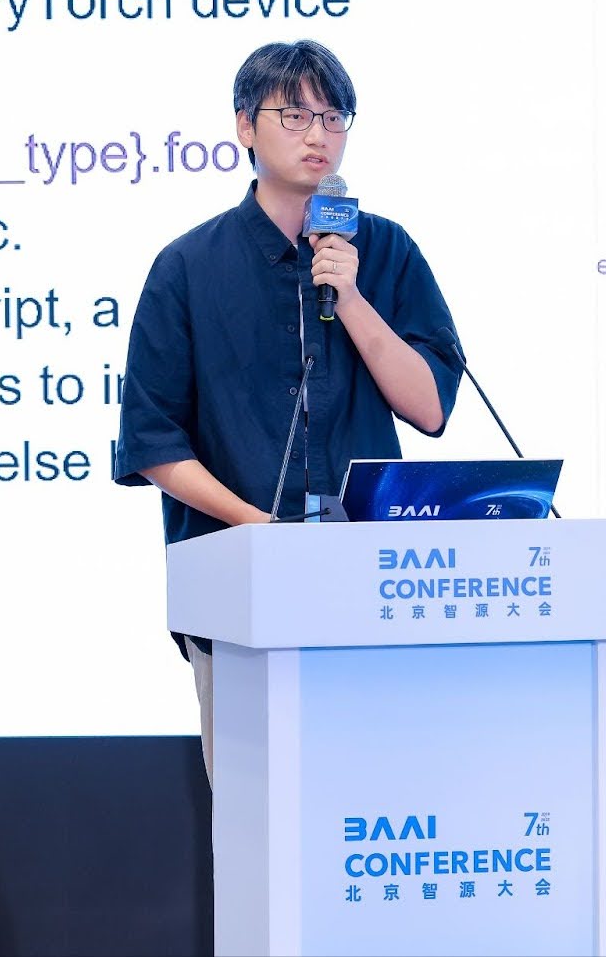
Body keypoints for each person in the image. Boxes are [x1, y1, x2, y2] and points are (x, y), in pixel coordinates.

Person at [113, 40, 464, 784]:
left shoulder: (386, 250)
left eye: (334, 117)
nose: (318, 134)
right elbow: (153, 442)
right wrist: (261, 530)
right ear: (245, 126)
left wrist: (352, 297)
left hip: (373, 588)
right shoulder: (188, 266)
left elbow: (431, 407)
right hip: (239, 593)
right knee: (259, 820)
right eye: (295, 115)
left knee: (376, 801)